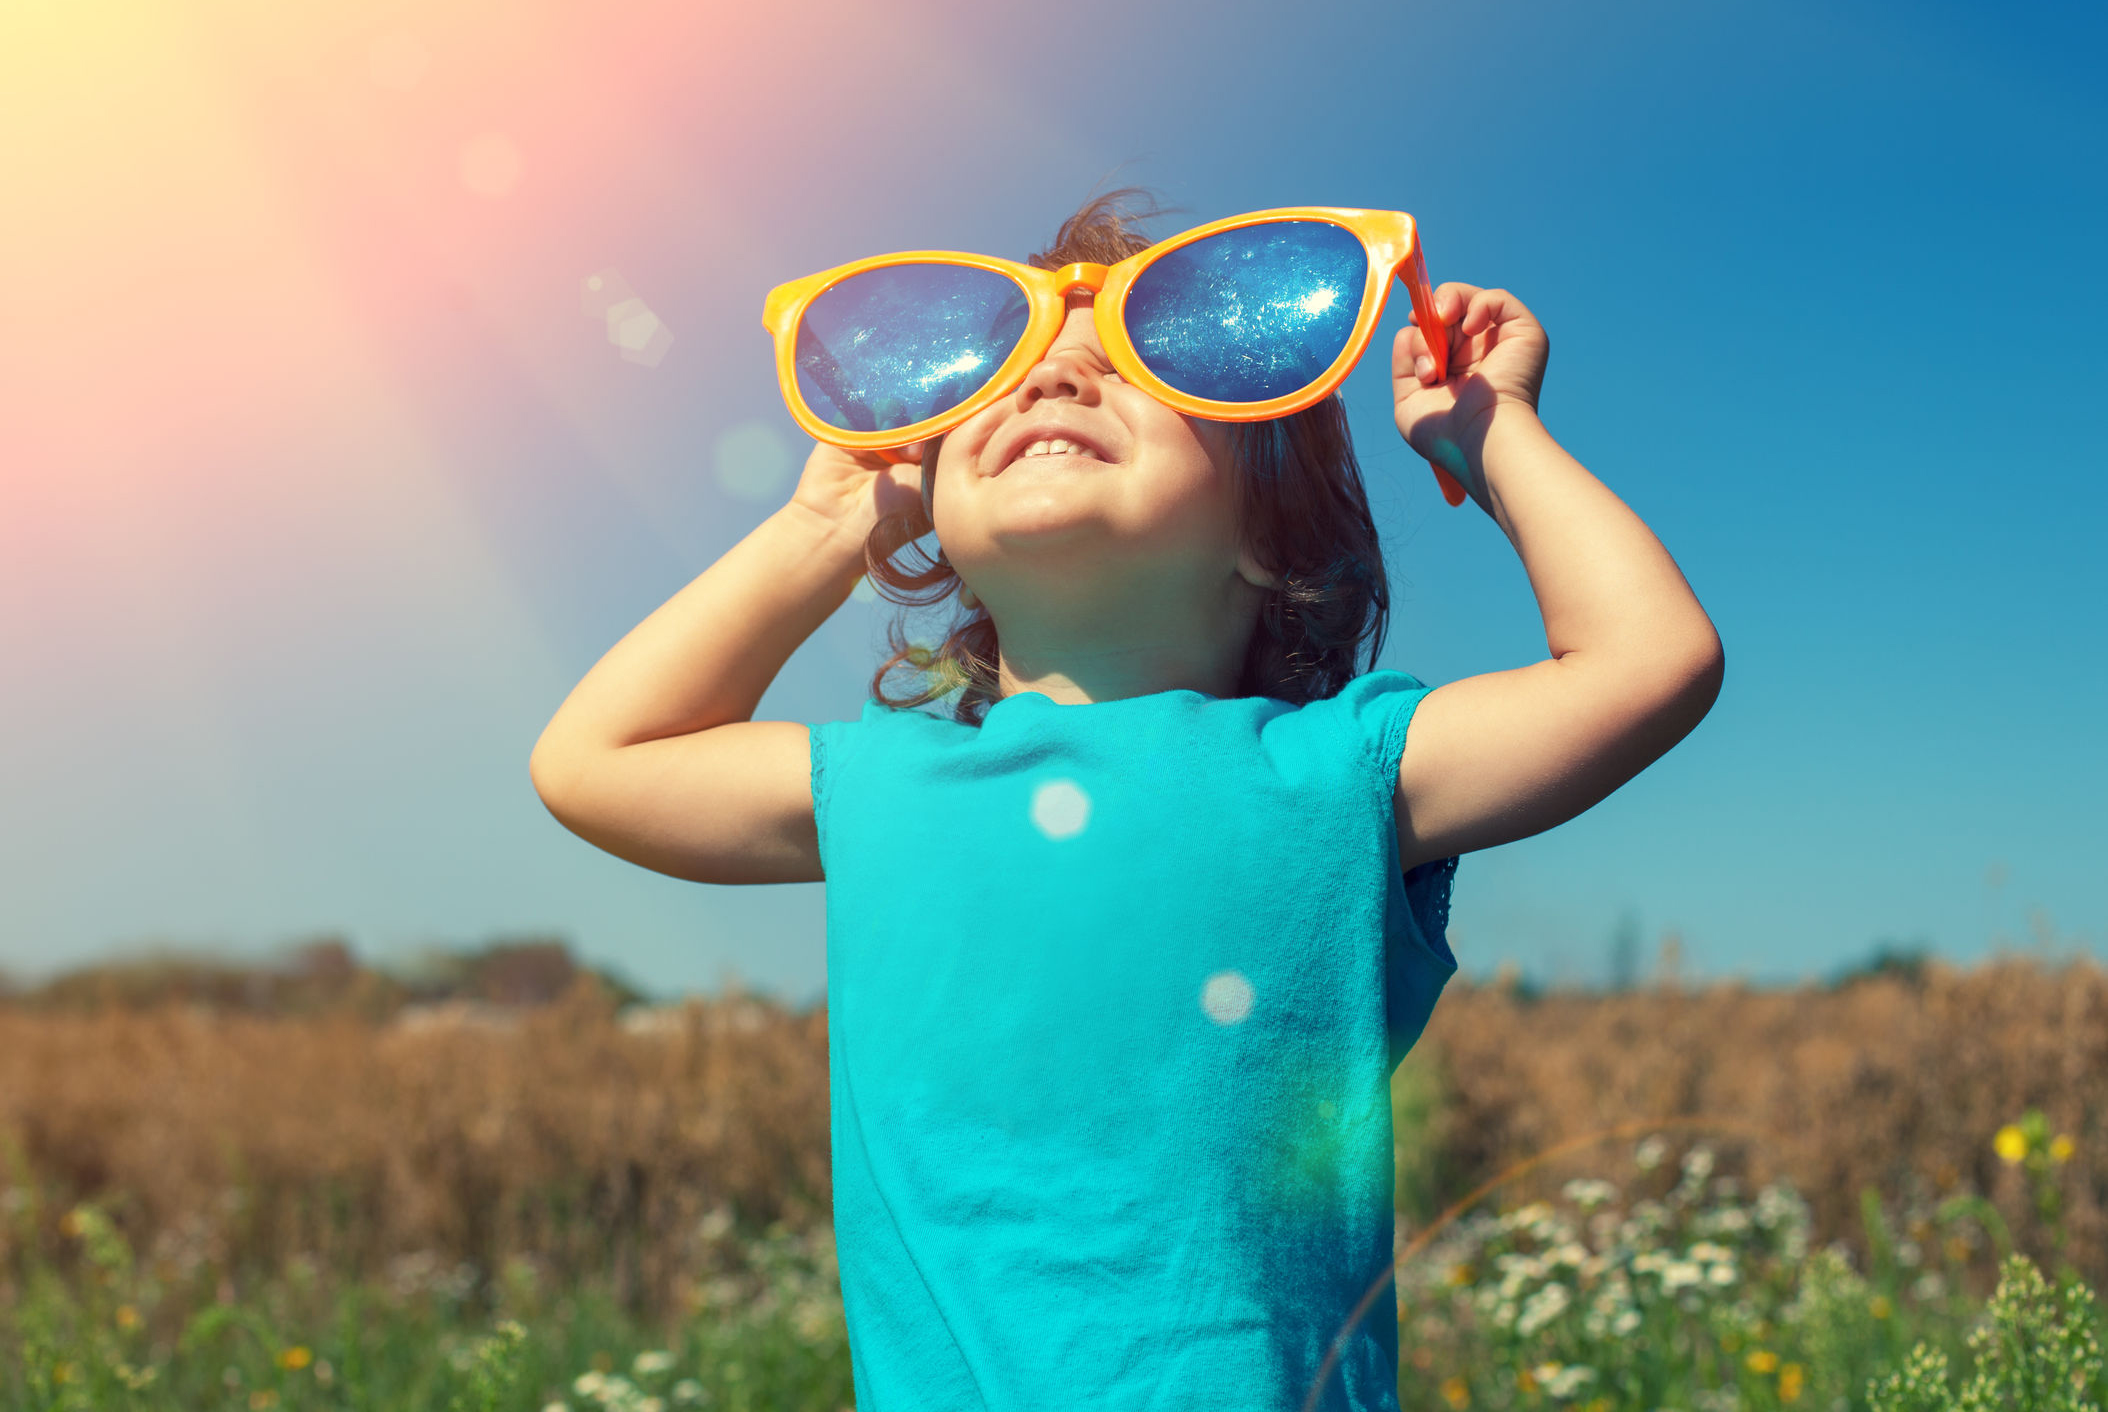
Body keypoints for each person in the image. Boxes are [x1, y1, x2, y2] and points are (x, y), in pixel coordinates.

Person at [530, 193, 1722, 1410]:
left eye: (1122, 373)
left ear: (1273, 533)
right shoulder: (887, 784)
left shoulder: (1334, 767)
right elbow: (595, 760)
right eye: (1001, 386)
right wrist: (818, 527)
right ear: (928, 514)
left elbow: (1648, 663)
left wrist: (1488, 427)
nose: (1052, 384)